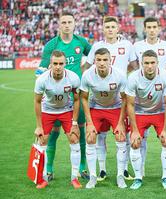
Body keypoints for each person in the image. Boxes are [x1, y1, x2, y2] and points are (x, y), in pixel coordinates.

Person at [35, 11, 92, 181]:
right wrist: (41, 77)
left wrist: (85, 70)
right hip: (55, 98)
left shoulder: (81, 42)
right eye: (64, 22)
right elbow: (41, 69)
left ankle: (82, 168)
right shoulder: (51, 45)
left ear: (75, 24)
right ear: (59, 25)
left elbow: (95, 54)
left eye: (70, 22)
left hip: (76, 96)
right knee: (52, 134)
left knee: (79, 131)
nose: (67, 25)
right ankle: (49, 170)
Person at [84, 16, 138, 181]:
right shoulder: (97, 46)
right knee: (100, 136)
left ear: (118, 28)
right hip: (100, 96)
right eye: (107, 27)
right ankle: (102, 170)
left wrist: (121, 75)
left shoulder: (127, 45)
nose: (110, 29)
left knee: (124, 134)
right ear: (103, 29)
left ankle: (125, 169)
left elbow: (135, 66)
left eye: (112, 27)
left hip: (120, 95)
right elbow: (87, 66)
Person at [125, 50, 166, 190]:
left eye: (153, 63)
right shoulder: (133, 77)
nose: (150, 66)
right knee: (134, 142)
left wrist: (165, 129)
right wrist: (134, 130)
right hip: (140, 113)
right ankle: (138, 177)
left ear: (157, 63)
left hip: (159, 112)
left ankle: (165, 176)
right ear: (141, 64)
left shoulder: (165, 76)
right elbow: (130, 104)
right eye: (146, 63)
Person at [80, 48, 128, 189]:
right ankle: (93, 177)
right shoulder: (87, 75)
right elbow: (83, 98)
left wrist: (120, 122)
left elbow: (125, 99)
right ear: (94, 61)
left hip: (115, 108)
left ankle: (120, 176)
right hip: (96, 108)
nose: (101, 63)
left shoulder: (119, 75)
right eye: (98, 60)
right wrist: (89, 123)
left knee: (120, 136)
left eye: (105, 60)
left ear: (110, 60)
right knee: (90, 137)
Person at [34, 50, 82, 189]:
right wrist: (38, 126)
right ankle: (43, 178)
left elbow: (77, 99)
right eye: (55, 63)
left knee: (74, 139)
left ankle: (74, 178)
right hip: (47, 111)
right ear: (51, 63)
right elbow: (37, 102)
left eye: (61, 63)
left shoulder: (73, 78)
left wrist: (74, 122)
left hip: (66, 111)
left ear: (65, 64)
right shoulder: (42, 79)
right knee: (42, 141)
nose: (58, 66)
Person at [133, 17, 166, 178]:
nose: (151, 30)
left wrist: (165, 77)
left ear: (159, 28)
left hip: (161, 94)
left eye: (154, 27)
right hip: (143, 95)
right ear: (144, 29)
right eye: (148, 27)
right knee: (141, 138)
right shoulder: (137, 46)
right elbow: (134, 65)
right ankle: (140, 169)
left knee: (165, 136)